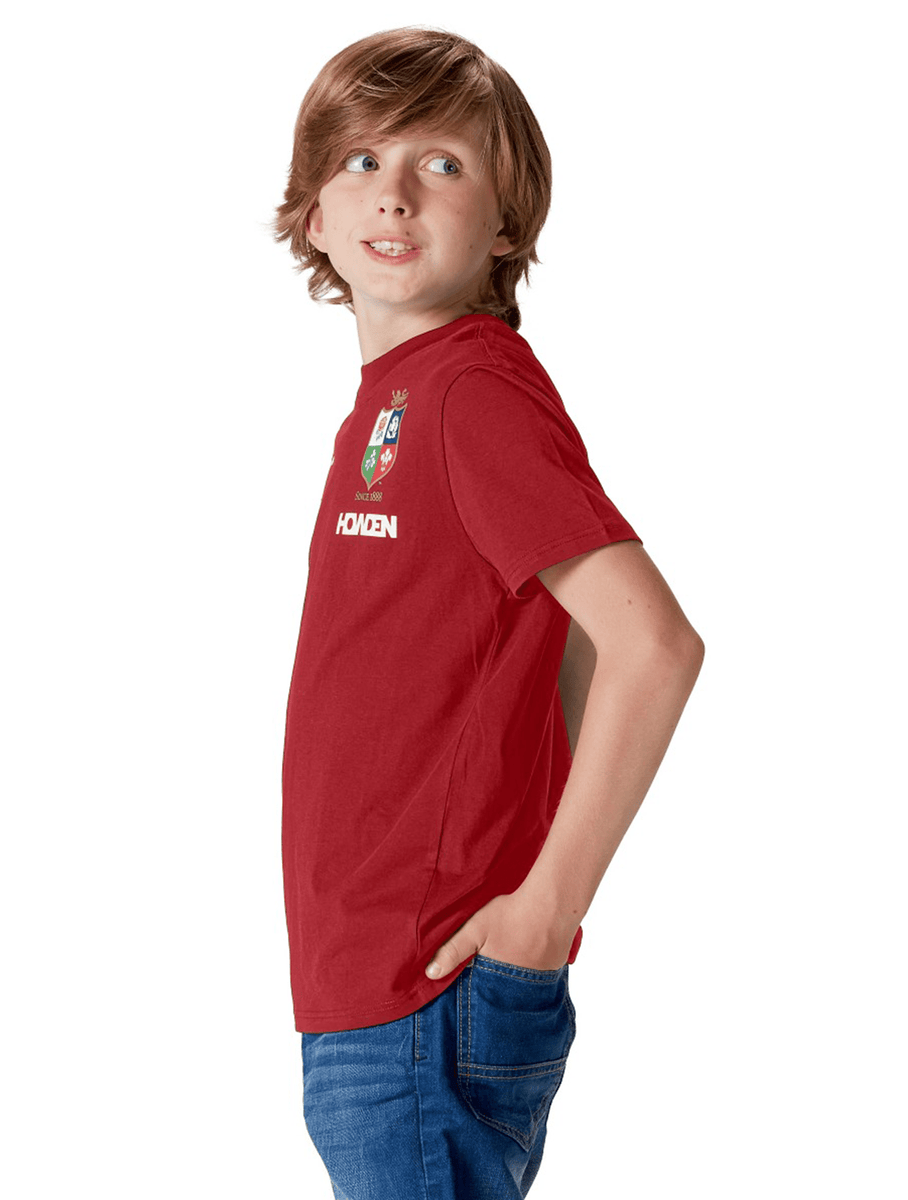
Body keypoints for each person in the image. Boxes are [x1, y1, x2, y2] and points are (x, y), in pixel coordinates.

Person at [274, 27, 704, 1200]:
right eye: (362, 160)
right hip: (380, 988)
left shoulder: (470, 389)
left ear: (508, 223)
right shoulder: (399, 398)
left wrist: (542, 908)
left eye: (443, 163)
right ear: (312, 213)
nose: (396, 193)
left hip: (429, 989)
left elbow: (652, 645)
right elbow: (565, 645)